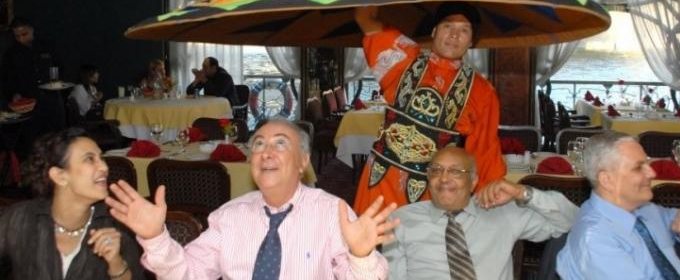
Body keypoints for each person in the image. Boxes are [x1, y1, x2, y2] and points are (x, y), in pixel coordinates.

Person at [105, 118, 399, 279]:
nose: (266, 152)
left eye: (280, 144)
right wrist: (156, 237)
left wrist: (361, 256)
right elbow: (186, 275)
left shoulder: (331, 213)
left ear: (303, 162)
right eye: (258, 144)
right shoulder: (230, 216)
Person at [352, 3, 506, 214]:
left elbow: (485, 152)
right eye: (447, 26)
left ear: (471, 42)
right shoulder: (404, 58)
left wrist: (486, 204)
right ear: (434, 31)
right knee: (371, 243)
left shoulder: (482, 91)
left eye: (464, 30)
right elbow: (365, 19)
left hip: (433, 190)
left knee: (424, 245)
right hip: (380, 178)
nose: (454, 35)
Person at [384, 146, 577, 280]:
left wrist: (522, 192)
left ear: (474, 181)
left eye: (456, 171)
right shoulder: (401, 219)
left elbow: (572, 221)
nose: (443, 178)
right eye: (436, 170)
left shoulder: (501, 212)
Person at [557, 131, 680, 279]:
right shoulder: (595, 239)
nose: (652, 173)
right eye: (638, 168)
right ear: (607, 180)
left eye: (647, 164)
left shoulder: (644, 209)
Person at [0, 128, 144, 279]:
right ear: (60, 176)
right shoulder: (21, 218)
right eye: (89, 159)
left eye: (101, 158)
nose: (104, 167)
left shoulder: (116, 223)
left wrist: (116, 263)